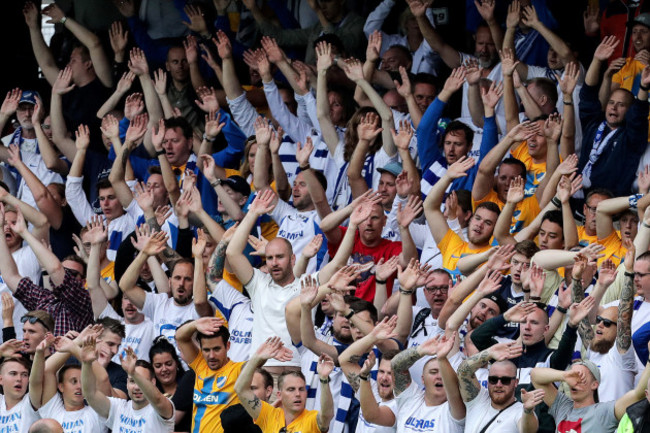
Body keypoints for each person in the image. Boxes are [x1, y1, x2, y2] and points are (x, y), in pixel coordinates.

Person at [119, 229, 199, 359]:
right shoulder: (159, 303)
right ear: (170, 281)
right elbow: (125, 286)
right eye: (177, 278)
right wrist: (144, 253)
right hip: (158, 370)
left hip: (189, 373)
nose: (181, 283)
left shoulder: (200, 306)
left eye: (188, 279)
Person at [235, 336, 334, 433]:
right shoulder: (268, 415)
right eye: (291, 389)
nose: (297, 394)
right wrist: (257, 358)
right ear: (279, 395)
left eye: (301, 389)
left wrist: (324, 378)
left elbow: (327, 415)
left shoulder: (312, 420)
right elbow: (240, 389)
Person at [531, 355, 650, 433]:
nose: (574, 382)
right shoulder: (562, 407)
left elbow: (637, 394)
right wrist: (564, 375)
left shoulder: (603, 412)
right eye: (572, 376)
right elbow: (535, 376)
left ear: (594, 384)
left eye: (580, 377)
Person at [81, 338, 175, 433]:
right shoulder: (118, 407)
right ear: (127, 383)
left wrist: (134, 373)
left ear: (153, 382)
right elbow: (90, 394)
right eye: (132, 381)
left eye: (141, 381)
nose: (137, 387)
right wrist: (86, 364)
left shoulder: (162, 409)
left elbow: (158, 400)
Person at [174, 318, 243, 433]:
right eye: (206, 350)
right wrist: (195, 324)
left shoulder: (239, 370)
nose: (211, 356)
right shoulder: (199, 365)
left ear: (228, 346)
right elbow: (180, 337)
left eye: (216, 349)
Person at [457, 342, 542, 433]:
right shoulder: (478, 400)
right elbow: (463, 371)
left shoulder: (521, 411)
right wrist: (489, 353)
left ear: (516, 382)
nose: (498, 384)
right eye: (493, 379)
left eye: (505, 380)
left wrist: (528, 411)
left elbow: (528, 431)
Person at [390, 332, 465, 432]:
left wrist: (442, 358)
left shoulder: (455, 411)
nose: (439, 377)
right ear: (422, 379)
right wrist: (420, 351)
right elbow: (396, 366)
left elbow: (454, 391)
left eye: (443, 373)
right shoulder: (410, 400)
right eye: (433, 372)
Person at [0, 357, 39, 432]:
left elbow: (36, 382)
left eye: (24, 375)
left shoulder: (30, 401)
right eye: (13, 373)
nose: (19, 379)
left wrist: (39, 353)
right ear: (1, 379)